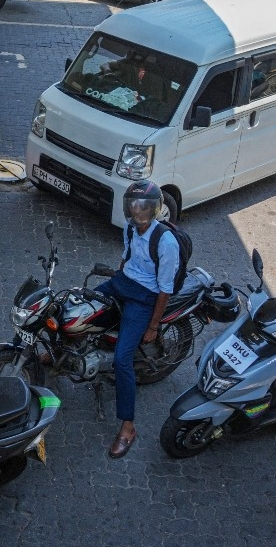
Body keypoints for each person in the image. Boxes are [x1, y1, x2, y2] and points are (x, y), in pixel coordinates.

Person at [95, 180, 177, 459]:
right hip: (123, 283)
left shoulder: (165, 241)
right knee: (81, 306)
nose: (138, 211)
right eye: (134, 205)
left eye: (143, 206)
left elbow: (165, 289)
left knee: (122, 360)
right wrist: (116, 282)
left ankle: (128, 426)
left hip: (145, 297)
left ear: (154, 209)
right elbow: (126, 258)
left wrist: (153, 326)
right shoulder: (130, 228)